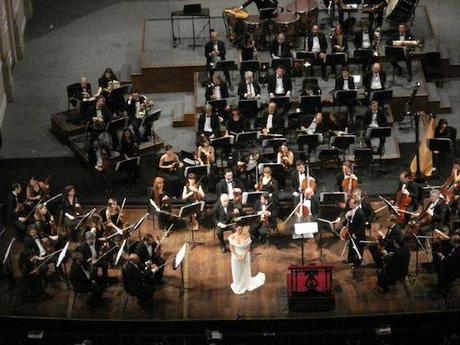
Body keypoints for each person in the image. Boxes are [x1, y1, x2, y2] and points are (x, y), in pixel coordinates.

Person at [229, 223, 265, 294]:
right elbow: (232, 248)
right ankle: (238, 284)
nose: (240, 230)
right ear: (235, 229)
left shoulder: (246, 236)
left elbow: (247, 247)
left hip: (245, 256)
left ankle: (245, 283)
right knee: (236, 271)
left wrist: (244, 255)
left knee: (245, 270)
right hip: (235, 257)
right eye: (238, 229)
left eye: (241, 229)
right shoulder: (232, 236)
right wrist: (237, 256)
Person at [342, 195, 366, 269]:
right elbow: (345, 223)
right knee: (352, 248)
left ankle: (357, 265)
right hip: (351, 233)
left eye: (351, 203)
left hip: (358, 235)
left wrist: (356, 234)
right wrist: (346, 217)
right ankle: (351, 260)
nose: (349, 204)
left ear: (355, 204)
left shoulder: (360, 212)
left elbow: (362, 226)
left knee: (358, 249)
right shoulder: (351, 211)